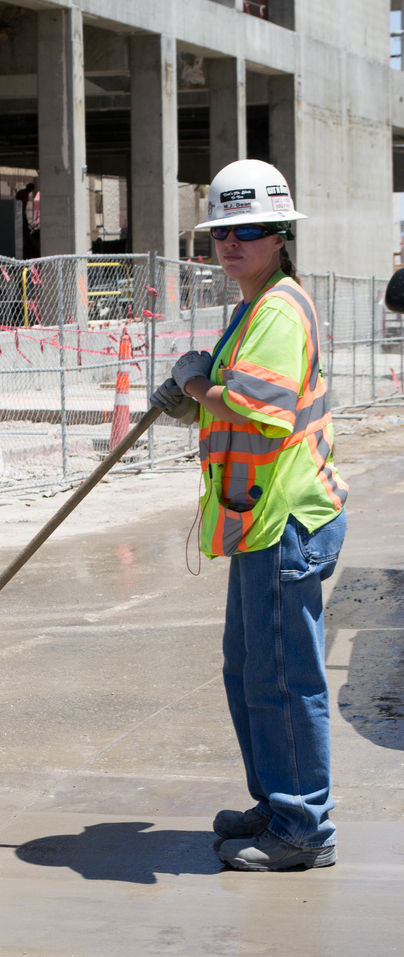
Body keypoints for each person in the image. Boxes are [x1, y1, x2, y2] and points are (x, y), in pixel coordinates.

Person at [151, 159, 348, 872]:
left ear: (282, 234)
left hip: (286, 520)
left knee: (283, 679)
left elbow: (259, 413)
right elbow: (235, 401)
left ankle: (304, 828)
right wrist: (193, 396)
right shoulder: (251, 310)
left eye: (251, 229)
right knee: (247, 670)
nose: (233, 243)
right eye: (222, 232)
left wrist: (196, 381)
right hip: (257, 519)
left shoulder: (278, 310)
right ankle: (279, 799)